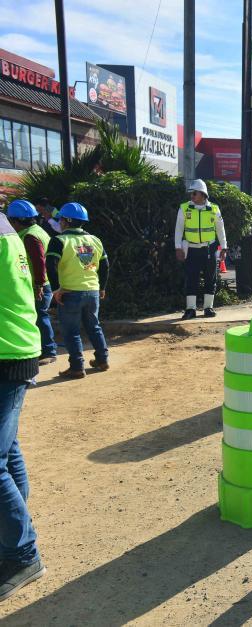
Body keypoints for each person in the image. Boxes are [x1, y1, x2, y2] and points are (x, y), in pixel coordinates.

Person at [0, 211, 45, 601]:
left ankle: (22, 551)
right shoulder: (10, 231)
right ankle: (15, 533)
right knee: (8, 450)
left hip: (5, 352)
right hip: (18, 346)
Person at [46, 202, 110, 379]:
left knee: (71, 330)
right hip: (92, 291)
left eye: (61, 220)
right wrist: (102, 287)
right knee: (94, 326)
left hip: (70, 292)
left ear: (66, 221)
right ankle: (102, 359)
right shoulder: (95, 240)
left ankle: (76, 367)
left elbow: (50, 265)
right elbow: (105, 266)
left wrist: (56, 289)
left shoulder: (59, 241)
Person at [6, 200, 56, 365]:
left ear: (16, 221)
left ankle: (49, 351)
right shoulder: (37, 230)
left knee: (41, 317)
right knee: (40, 316)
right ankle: (45, 349)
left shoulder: (29, 236)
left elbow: (39, 261)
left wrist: (39, 284)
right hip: (43, 282)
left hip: (39, 284)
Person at [174, 179, 227, 319]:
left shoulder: (214, 209)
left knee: (210, 278)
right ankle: (190, 310)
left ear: (203, 194)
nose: (191, 196)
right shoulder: (184, 208)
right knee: (191, 278)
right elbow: (178, 229)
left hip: (209, 249)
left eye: (194, 193)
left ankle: (208, 308)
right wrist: (177, 247)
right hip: (191, 249)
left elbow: (220, 230)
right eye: (191, 193)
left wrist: (224, 247)